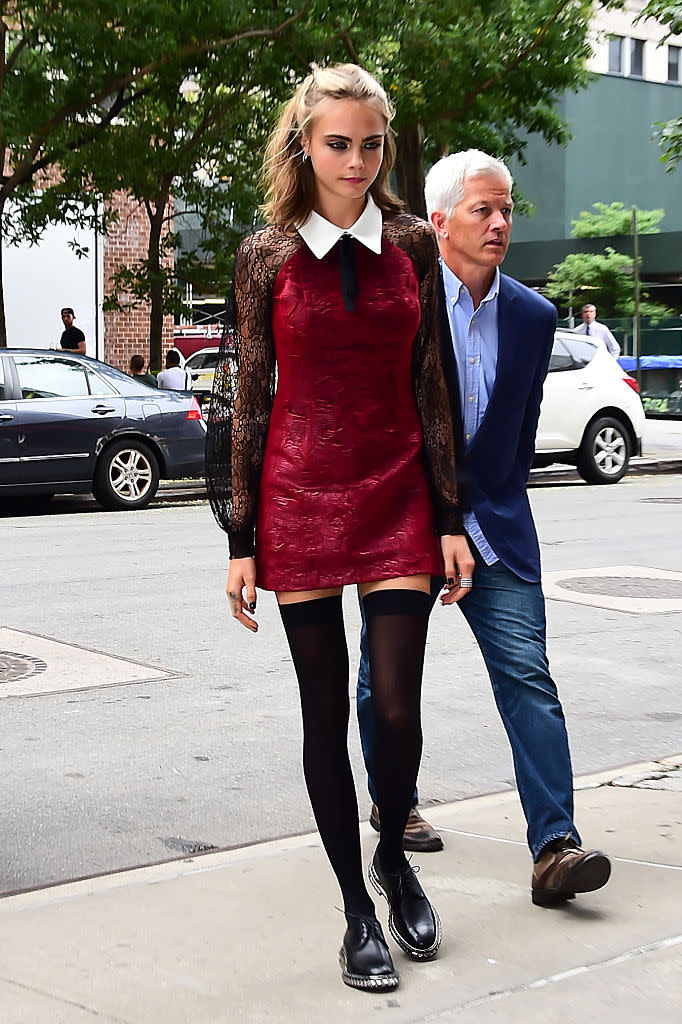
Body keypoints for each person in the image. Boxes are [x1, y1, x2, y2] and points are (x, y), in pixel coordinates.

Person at [205, 64, 473, 993]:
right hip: (298, 493)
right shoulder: (266, 254)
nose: (355, 161)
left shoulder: (413, 245)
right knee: (325, 713)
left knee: (395, 708)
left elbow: (433, 385)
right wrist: (240, 537)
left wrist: (450, 514)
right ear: (303, 145)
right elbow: (248, 400)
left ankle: (393, 852)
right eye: (336, 143)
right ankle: (358, 909)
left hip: (399, 487)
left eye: (369, 144)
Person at [357, 149, 612, 908]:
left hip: (495, 527)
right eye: (483, 210)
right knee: (383, 681)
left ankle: (555, 848)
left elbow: (516, 431)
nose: (500, 222)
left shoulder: (533, 317)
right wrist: (429, 517)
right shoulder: (399, 298)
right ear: (439, 222)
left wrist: (480, 510)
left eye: (507, 209)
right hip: (407, 521)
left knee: (528, 678)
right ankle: (394, 804)